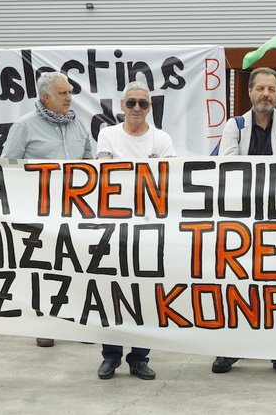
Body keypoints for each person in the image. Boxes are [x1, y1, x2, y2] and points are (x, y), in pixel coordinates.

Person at [212, 67, 276, 377]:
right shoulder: (233, 125)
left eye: (271, 89)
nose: (266, 94)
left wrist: (250, 169)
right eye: (260, 88)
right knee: (237, 283)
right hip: (240, 217)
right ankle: (232, 348)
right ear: (249, 92)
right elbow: (228, 165)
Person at [2, 71, 92, 348]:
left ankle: (80, 323)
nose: (69, 98)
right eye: (63, 93)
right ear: (46, 97)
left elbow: (91, 164)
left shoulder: (78, 125)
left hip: (75, 211)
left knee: (79, 266)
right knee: (44, 268)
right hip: (39, 213)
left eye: (70, 92)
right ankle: (46, 323)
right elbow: (7, 167)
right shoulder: (24, 126)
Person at [95, 81, 175, 380]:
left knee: (145, 293)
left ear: (150, 107)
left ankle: (139, 357)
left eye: (143, 103)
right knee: (110, 291)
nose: (137, 108)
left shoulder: (162, 139)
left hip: (149, 225)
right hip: (112, 225)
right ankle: (111, 356)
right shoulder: (107, 135)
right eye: (132, 103)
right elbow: (104, 178)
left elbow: (167, 182)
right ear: (122, 106)